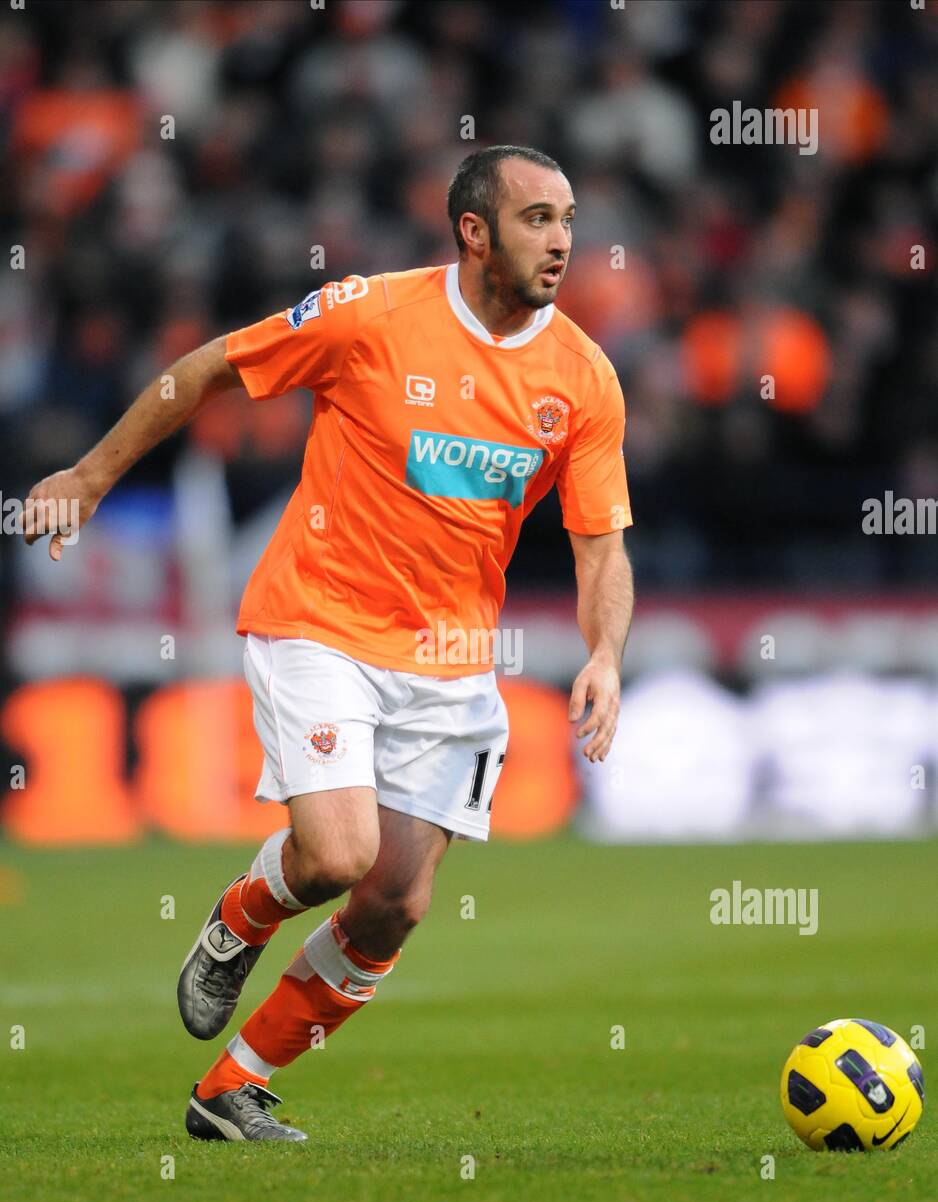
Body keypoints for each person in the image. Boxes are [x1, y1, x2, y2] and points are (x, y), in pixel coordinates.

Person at [24, 145, 634, 1142]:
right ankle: (242, 916)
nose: (561, 239)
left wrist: (603, 653)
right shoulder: (372, 315)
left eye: (566, 216)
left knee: (394, 900)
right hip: (321, 616)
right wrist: (90, 477)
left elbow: (599, 542)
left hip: (450, 657)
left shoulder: (583, 378)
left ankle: (231, 1087)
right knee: (339, 852)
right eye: (535, 218)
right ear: (473, 231)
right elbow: (210, 367)